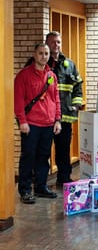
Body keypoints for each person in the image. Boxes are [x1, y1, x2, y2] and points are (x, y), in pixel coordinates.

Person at [14, 43, 62, 203]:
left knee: (43, 157)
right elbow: (18, 101)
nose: (44, 56)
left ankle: (41, 187)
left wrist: (57, 120)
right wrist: (22, 121)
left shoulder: (51, 75)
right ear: (34, 55)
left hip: (48, 124)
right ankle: (25, 190)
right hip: (31, 124)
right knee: (28, 157)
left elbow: (56, 99)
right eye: (40, 53)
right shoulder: (24, 75)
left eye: (46, 53)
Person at [45, 31, 83, 185]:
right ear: (47, 43)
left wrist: (75, 104)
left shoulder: (69, 64)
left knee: (63, 150)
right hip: (45, 117)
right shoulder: (41, 63)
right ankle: (40, 182)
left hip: (65, 116)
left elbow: (78, 85)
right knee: (43, 151)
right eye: (53, 42)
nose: (56, 45)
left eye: (58, 42)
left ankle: (64, 178)